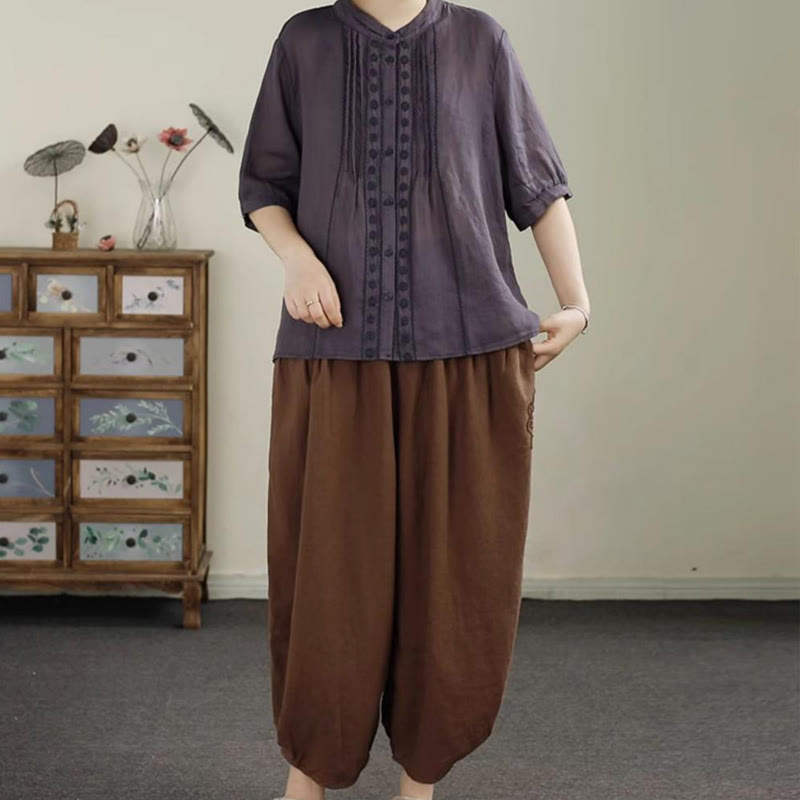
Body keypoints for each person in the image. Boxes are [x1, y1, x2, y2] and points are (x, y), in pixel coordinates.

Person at [238, 0, 590, 798]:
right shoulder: (304, 41)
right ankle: (307, 778)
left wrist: (578, 302)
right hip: (335, 351)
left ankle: (419, 784)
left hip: (468, 355)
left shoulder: (481, 41)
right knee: (329, 577)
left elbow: (537, 186)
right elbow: (264, 184)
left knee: (454, 579)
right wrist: (296, 260)